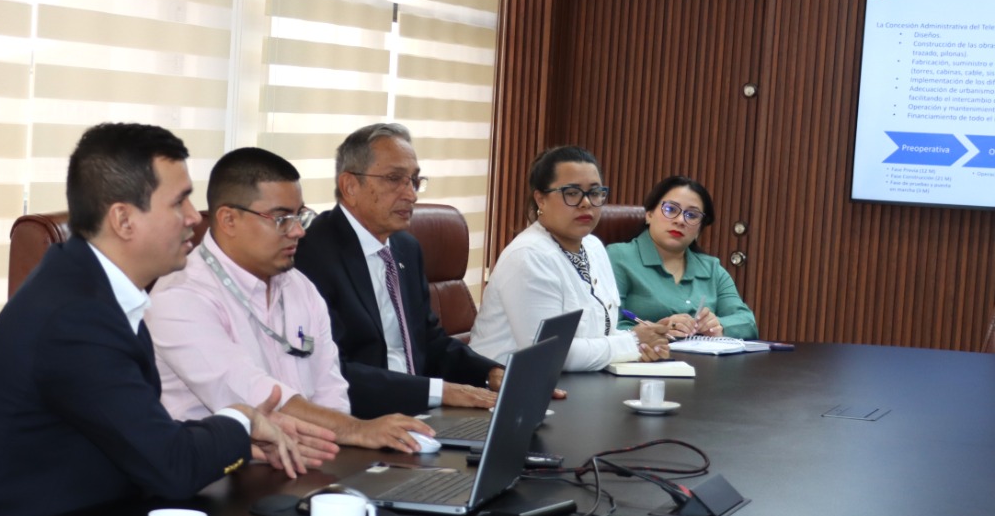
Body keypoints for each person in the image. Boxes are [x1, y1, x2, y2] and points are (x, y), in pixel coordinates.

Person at [0, 124, 335, 516]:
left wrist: (236, 440)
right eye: (179, 202)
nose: (194, 217)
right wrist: (243, 420)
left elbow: (141, 431)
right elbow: (171, 467)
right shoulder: (75, 318)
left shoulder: (92, 289)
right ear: (123, 220)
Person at [148, 147, 436, 453]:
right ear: (229, 220)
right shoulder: (179, 296)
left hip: (308, 457)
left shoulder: (300, 287)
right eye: (282, 218)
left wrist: (334, 448)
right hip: (224, 470)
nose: (298, 231)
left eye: (300, 216)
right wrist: (357, 430)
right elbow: (252, 395)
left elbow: (331, 391)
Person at [293, 123, 503, 419]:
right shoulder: (312, 253)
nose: (411, 195)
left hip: (421, 412)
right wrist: (438, 391)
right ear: (350, 186)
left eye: (414, 180)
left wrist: (490, 373)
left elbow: (428, 341)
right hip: (363, 421)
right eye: (394, 179)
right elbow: (330, 370)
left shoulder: (406, 247)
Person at [470, 145, 671, 371]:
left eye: (594, 193)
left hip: (578, 381)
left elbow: (601, 334)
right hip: (507, 387)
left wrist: (647, 341)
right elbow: (548, 352)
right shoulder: (528, 257)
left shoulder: (593, 246)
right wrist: (632, 342)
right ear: (541, 199)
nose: (586, 203)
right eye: (572, 193)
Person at [608, 176, 758, 339]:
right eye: (670, 209)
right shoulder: (617, 257)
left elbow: (748, 323)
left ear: (699, 228)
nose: (680, 220)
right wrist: (656, 330)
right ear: (649, 214)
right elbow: (605, 325)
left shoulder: (712, 269)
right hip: (643, 354)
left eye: (692, 215)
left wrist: (718, 326)